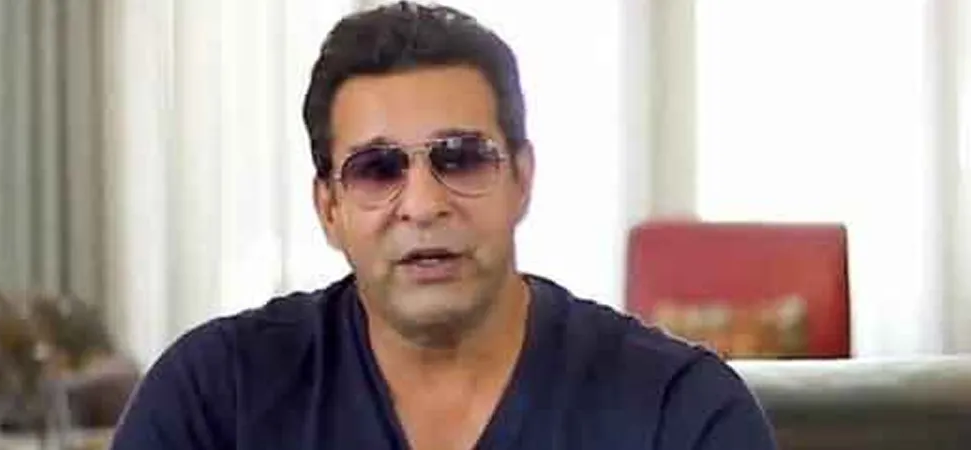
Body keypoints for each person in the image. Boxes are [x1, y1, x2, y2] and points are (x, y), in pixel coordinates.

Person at [110, 2, 777, 449]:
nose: (424, 204)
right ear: (329, 209)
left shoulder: (679, 413)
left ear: (522, 179)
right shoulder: (214, 400)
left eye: (461, 158)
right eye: (377, 169)